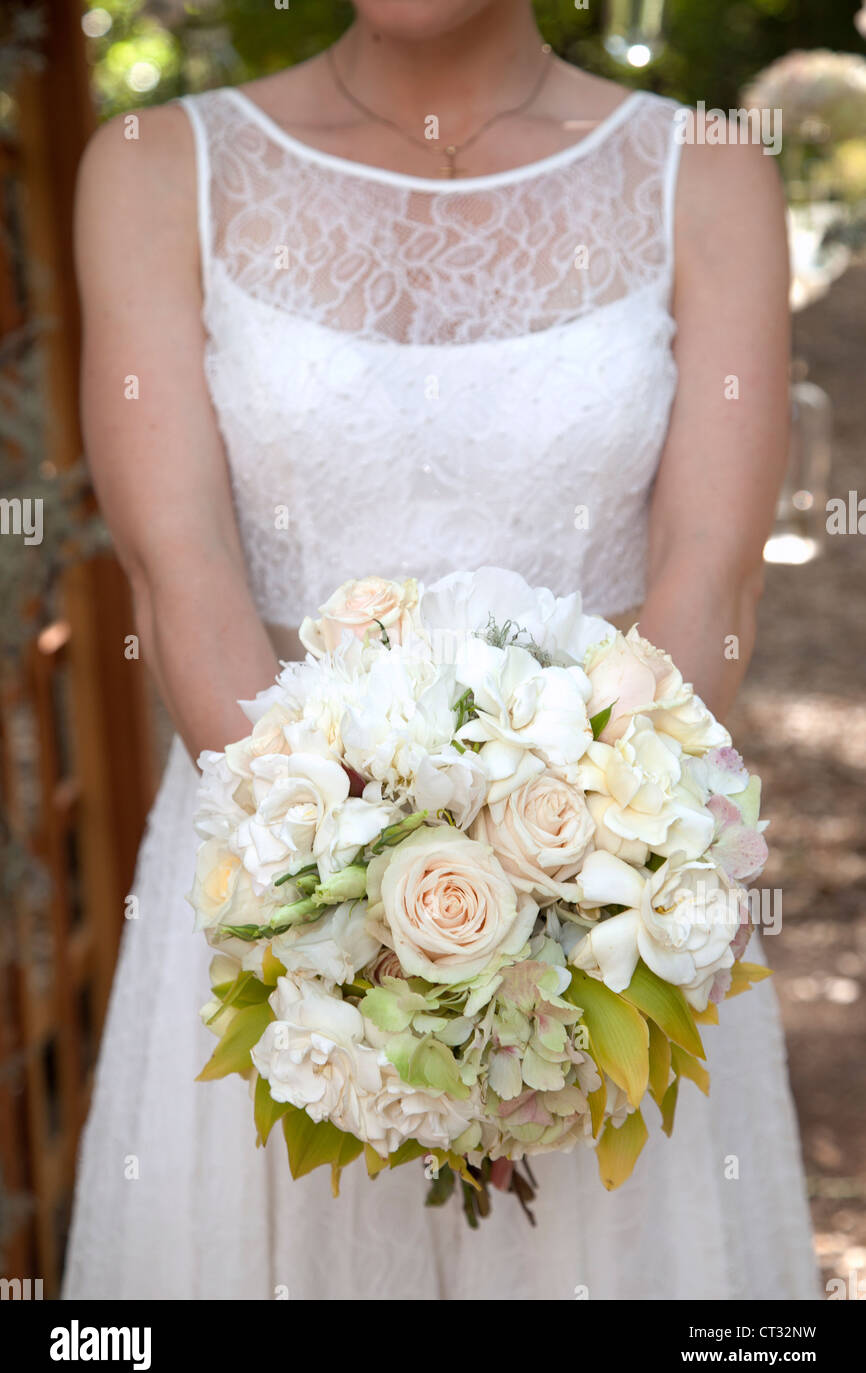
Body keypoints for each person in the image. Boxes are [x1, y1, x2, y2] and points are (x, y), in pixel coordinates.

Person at [63, 0, 817, 1299]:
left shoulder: (707, 173)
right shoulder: (151, 169)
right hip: (267, 902)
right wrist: (349, 930)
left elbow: (709, 573)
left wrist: (555, 910)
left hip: (601, 925)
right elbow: (178, 573)